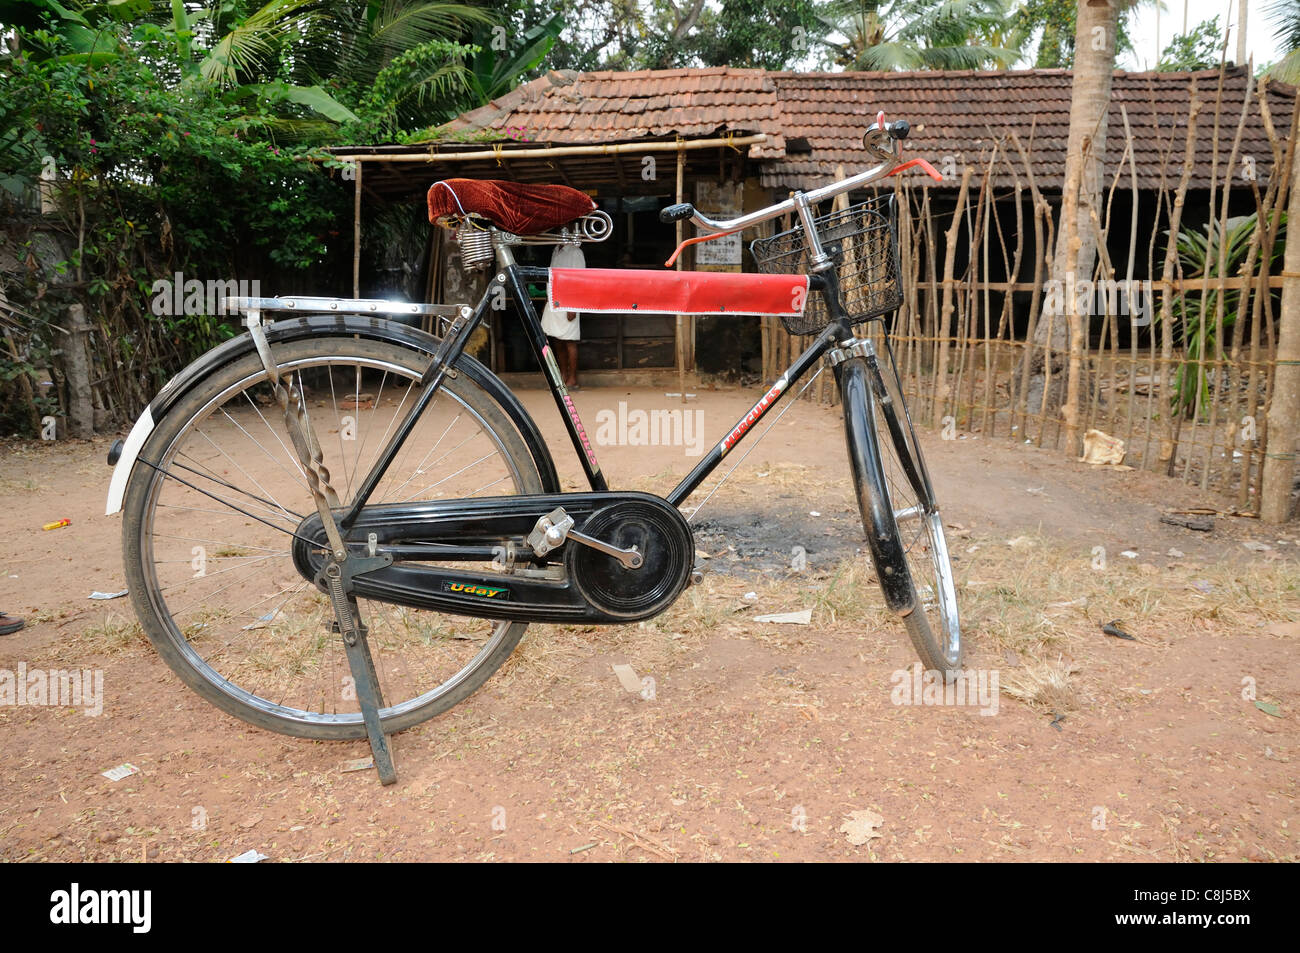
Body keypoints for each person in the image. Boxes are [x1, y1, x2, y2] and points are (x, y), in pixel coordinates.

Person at [540, 241, 585, 389]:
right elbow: (551, 277)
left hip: (568, 302)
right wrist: (547, 300)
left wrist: (573, 307)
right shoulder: (556, 250)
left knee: (569, 341)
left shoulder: (575, 252)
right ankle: (563, 375)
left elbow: (580, 280)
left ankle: (572, 379)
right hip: (554, 300)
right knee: (556, 340)